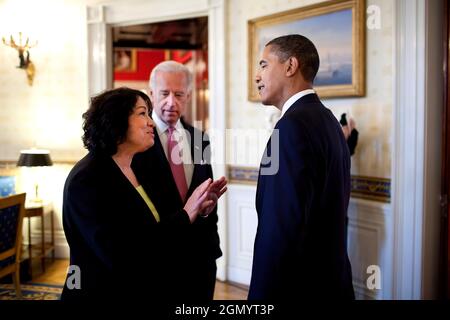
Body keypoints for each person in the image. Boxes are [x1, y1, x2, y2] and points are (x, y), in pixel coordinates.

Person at [61, 87, 226, 300]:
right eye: (142, 113)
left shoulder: (132, 167)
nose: (151, 122)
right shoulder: (87, 178)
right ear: (116, 119)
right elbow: (123, 254)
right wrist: (186, 213)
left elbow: (153, 228)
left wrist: (197, 209)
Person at [248, 34, 355, 300]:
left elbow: (281, 228)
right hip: (329, 279)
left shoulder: (291, 127)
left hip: (297, 287)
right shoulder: (329, 120)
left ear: (290, 66)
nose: (256, 76)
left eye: (263, 64)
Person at [132, 61, 225, 300]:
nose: (171, 102)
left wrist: (205, 208)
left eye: (179, 94)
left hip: (201, 258)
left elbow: (205, 197)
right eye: (164, 93)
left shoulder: (200, 139)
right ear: (151, 94)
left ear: (188, 96)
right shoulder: (134, 142)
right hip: (158, 260)